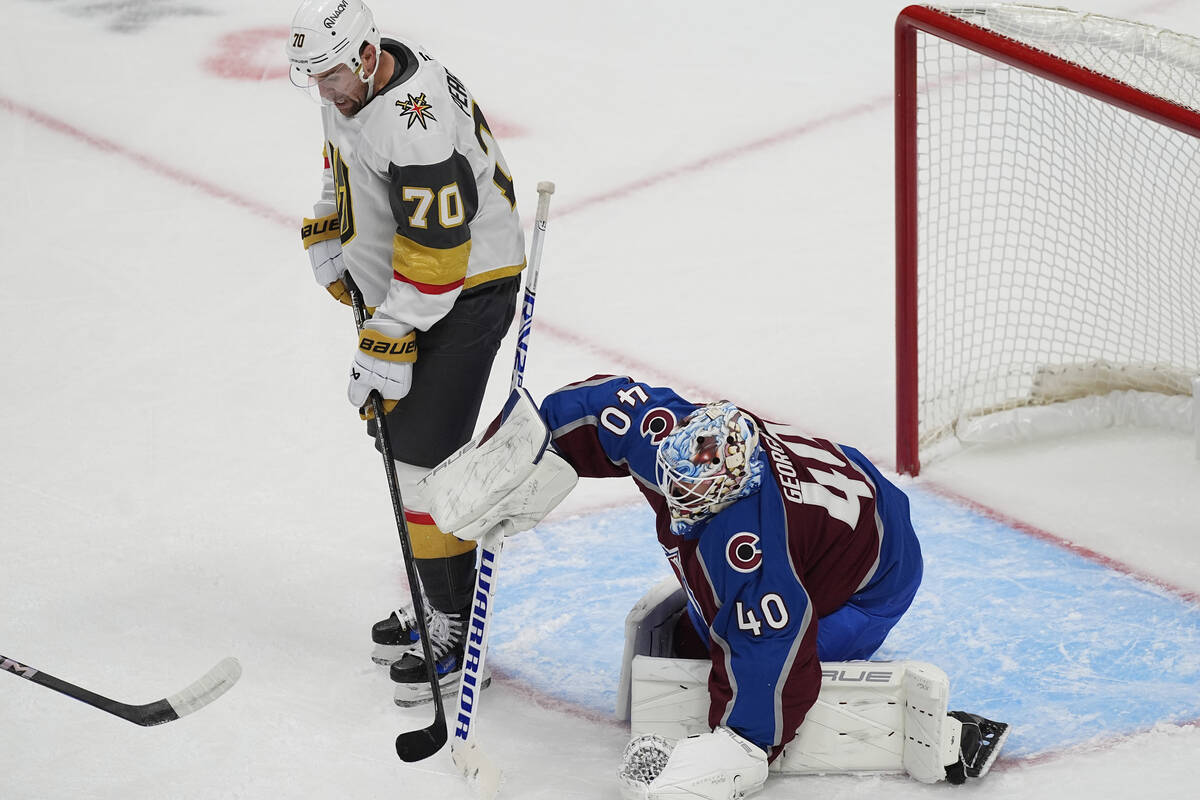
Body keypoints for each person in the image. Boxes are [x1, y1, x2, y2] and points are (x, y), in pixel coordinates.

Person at [422, 376, 1009, 799]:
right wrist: (519, 450)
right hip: (852, 495)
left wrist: (741, 747)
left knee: (739, 648)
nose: (679, 505)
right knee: (706, 624)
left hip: (876, 580)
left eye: (696, 500)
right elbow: (598, 408)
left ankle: (954, 736)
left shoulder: (749, 552)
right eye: (674, 485)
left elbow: (773, 666)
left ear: (733, 491)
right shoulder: (677, 438)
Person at [285, 0, 526, 705]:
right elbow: (343, 153)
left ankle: (451, 623)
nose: (322, 90)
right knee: (404, 449)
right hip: (418, 290)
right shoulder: (357, 79)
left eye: (328, 74)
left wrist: (391, 334)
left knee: (422, 462)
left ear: (362, 57)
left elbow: (441, 251)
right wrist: (332, 224)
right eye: (311, 77)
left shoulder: (412, 120)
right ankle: (434, 597)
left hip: (464, 294)